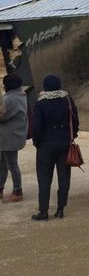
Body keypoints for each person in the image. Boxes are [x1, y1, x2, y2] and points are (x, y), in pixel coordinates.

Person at [31, 74, 79, 221]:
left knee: (44, 178)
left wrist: (37, 142)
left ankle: (43, 211)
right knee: (64, 176)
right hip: (64, 142)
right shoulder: (67, 100)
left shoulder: (40, 103)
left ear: (45, 87)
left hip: (45, 144)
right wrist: (72, 136)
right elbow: (75, 121)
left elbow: (36, 127)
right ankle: (60, 208)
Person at [0, 74, 28, 203]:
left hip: (8, 137)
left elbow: (2, 116)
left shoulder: (9, 99)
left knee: (11, 165)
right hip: (13, 135)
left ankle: (18, 191)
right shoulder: (21, 95)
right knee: (3, 164)